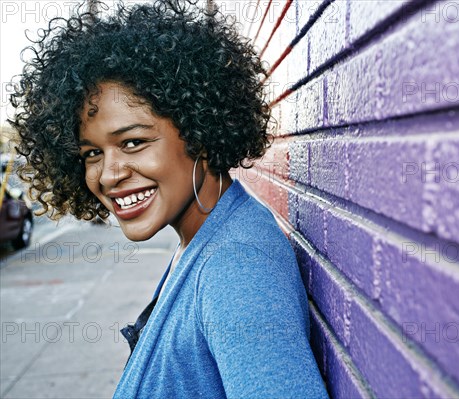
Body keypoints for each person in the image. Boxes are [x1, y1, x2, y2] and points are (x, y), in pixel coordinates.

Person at [8, 1, 329, 397]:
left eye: (133, 142)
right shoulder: (202, 237)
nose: (108, 174)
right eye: (92, 153)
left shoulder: (237, 268)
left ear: (201, 131)